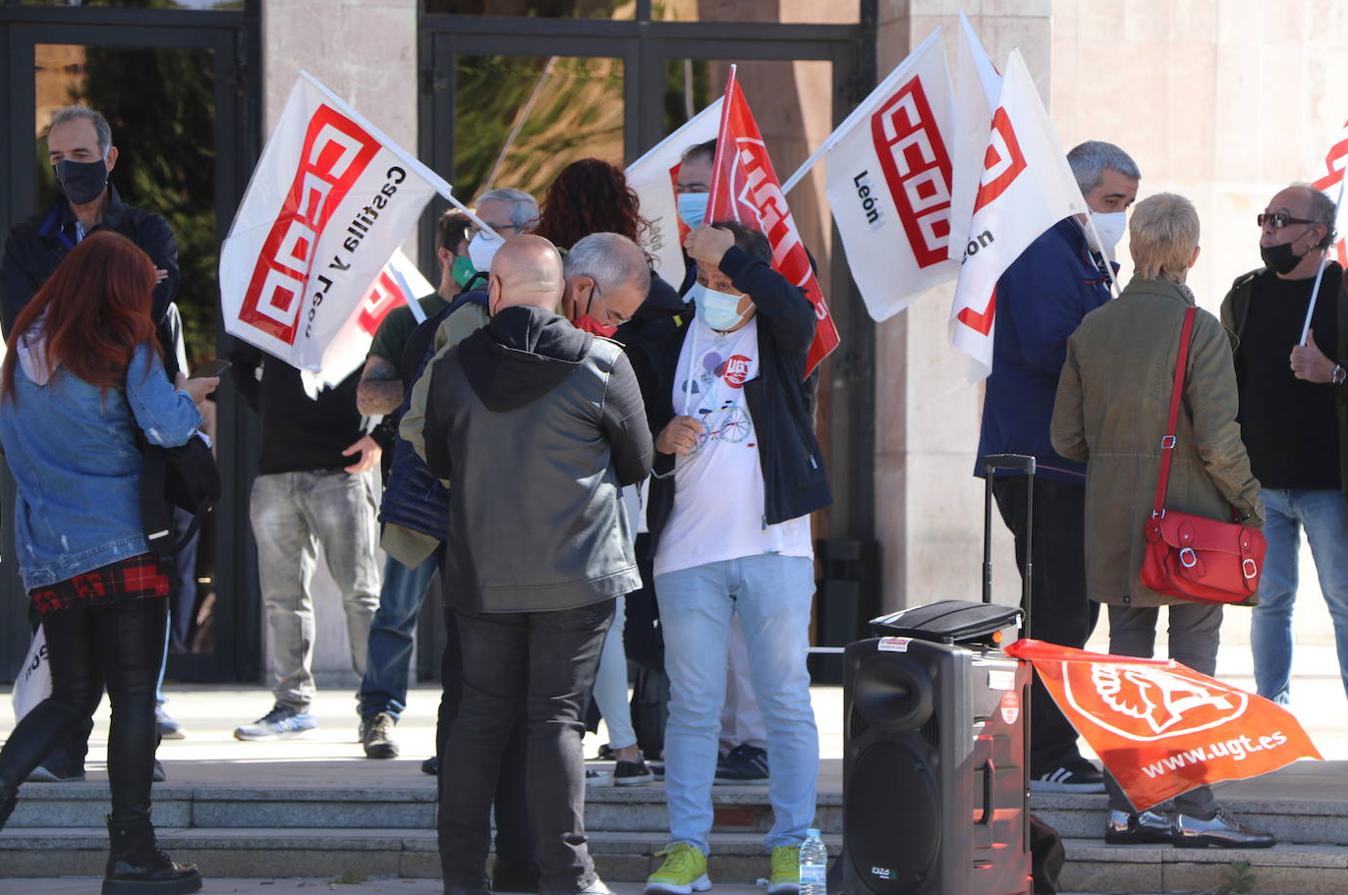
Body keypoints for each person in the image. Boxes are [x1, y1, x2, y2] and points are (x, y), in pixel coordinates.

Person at [419, 235, 652, 895]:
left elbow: (441, 458)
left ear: (494, 289)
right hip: (577, 574)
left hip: (484, 573)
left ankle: (463, 878)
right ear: (561, 292)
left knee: (480, 720)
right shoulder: (603, 362)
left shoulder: (453, 366)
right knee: (556, 720)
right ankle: (569, 876)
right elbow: (635, 460)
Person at [1052, 192, 1275, 849]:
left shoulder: (1091, 328)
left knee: (1128, 669)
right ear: (1192, 255)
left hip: (1114, 524)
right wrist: (1252, 501)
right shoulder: (1199, 328)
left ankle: (1128, 807)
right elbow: (1217, 439)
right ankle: (1194, 805)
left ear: (1135, 249)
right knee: (1191, 671)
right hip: (1190, 530)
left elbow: (1066, 438)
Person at [0, 231, 214, 893]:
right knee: (133, 703)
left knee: (69, 697)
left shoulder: (22, 351)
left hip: (50, 552)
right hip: (124, 546)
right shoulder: (123, 345)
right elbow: (172, 427)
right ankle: (133, 855)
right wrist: (193, 399)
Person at [623, 222, 828, 895]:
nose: (715, 290)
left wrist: (733, 258)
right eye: (705, 278)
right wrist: (660, 438)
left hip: (775, 548)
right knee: (693, 706)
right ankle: (687, 849)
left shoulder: (781, 333)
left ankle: (795, 846)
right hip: (687, 554)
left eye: (728, 280)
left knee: (785, 702)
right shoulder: (667, 339)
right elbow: (633, 439)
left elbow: (798, 309)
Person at [0, 103, 189, 782]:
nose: (68, 171)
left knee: (92, 686)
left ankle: (99, 793)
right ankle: (130, 842)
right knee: (120, 690)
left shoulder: (145, 229)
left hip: (70, 517)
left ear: (109, 158)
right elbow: (168, 413)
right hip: (112, 515)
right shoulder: (28, 242)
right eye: (57, 159)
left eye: (80, 157)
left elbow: (165, 290)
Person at [977, 140, 1140, 794]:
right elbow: (1055, 347)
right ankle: (1044, 749)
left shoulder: (1084, 255)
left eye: (1127, 204)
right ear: (1074, 194)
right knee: (1057, 612)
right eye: (1111, 201)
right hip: (1039, 462)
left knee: (1072, 610)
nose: (1119, 215)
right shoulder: (1043, 248)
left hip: (1069, 463)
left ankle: (1044, 742)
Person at [1220, 183, 1348, 705]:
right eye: (1265, 219)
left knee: (1342, 601)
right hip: (1261, 484)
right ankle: (1274, 712)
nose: (1268, 230)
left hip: (1329, 485)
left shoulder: (1341, 294)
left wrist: (1333, 372)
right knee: (1270, 600)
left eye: (1281, 220)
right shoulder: (1246, 293)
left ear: (1317, 233)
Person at [355, 209, 474, 760]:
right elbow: (369, 396)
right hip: (418, 489)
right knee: (397, 611)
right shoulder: (409, 320)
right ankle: (379, 712)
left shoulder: (503, 313)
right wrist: (433, 383)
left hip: (481, 494)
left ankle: (462, 728)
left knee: (474, 617)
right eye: (478, 244)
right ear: (447, 255)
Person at [229, 347, 382, 741]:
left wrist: (382, 436)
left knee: (361, 595)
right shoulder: (280, 294)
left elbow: (411, 370)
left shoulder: (362, 299)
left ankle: (378, 708)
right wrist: (267, 409)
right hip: (276, 472)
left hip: (342, 472)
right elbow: (240, 361)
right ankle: (291, 706)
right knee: (283, 599)